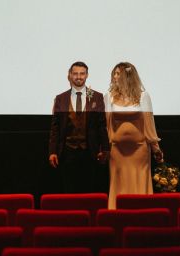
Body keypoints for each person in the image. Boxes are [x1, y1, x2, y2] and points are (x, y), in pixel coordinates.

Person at [105, 62, 163, 209]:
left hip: (139, 150)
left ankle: (142, 215)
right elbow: (106, 125)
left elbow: (149, 124)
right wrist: (104, 147)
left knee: (139, 181)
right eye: (114, 74)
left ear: (128, 76)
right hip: (117, 151)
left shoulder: (143, 96)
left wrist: (156, 148)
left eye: (118, 74)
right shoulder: (108, 96)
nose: (115, 77)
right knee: (119, 182)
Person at [48, 61, 110, 193]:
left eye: (82, 73)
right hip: (67, 152)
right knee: (69, 190)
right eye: (75, 73)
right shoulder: (60, 98)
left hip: (90, 152)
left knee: (89, 190)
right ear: (69, 76)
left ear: (87, 75)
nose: (79, 76)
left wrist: (105, 149)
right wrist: (52, 151)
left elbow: (101, 126)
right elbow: (55, 128)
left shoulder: (97, 97)